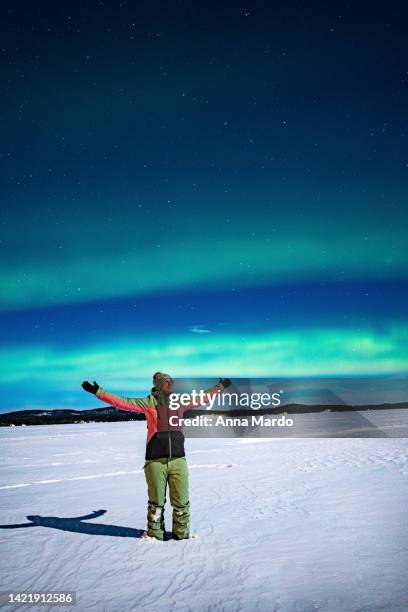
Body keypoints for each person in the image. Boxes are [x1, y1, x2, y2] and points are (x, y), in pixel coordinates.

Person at [81, 372, 231, 541]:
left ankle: (182, 537)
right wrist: (99, 392)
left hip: (178, 460)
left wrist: (220, 387)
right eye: (166, 382)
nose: (170, 384)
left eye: (171, 382)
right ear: (158, 384)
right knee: (156, 503)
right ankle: (155, 537)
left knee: (181, 502)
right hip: (155, 461)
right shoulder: (148, 402)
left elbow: (202, 397)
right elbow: (123, 402)